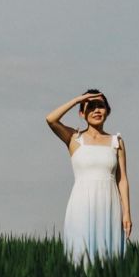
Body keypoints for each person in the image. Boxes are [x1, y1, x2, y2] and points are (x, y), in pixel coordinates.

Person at [46, 89, 131, 264]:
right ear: (82, 113)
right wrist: (78, 99)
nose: (97, 110)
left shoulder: (117, 142)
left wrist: (127, 213)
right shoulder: (74, 138)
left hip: (110, 204)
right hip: (81, 204)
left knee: (110, 258)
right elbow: (51, 119)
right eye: (91, 107)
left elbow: (122, 179)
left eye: (101, 106)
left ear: (107, 111)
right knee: (80, 256)